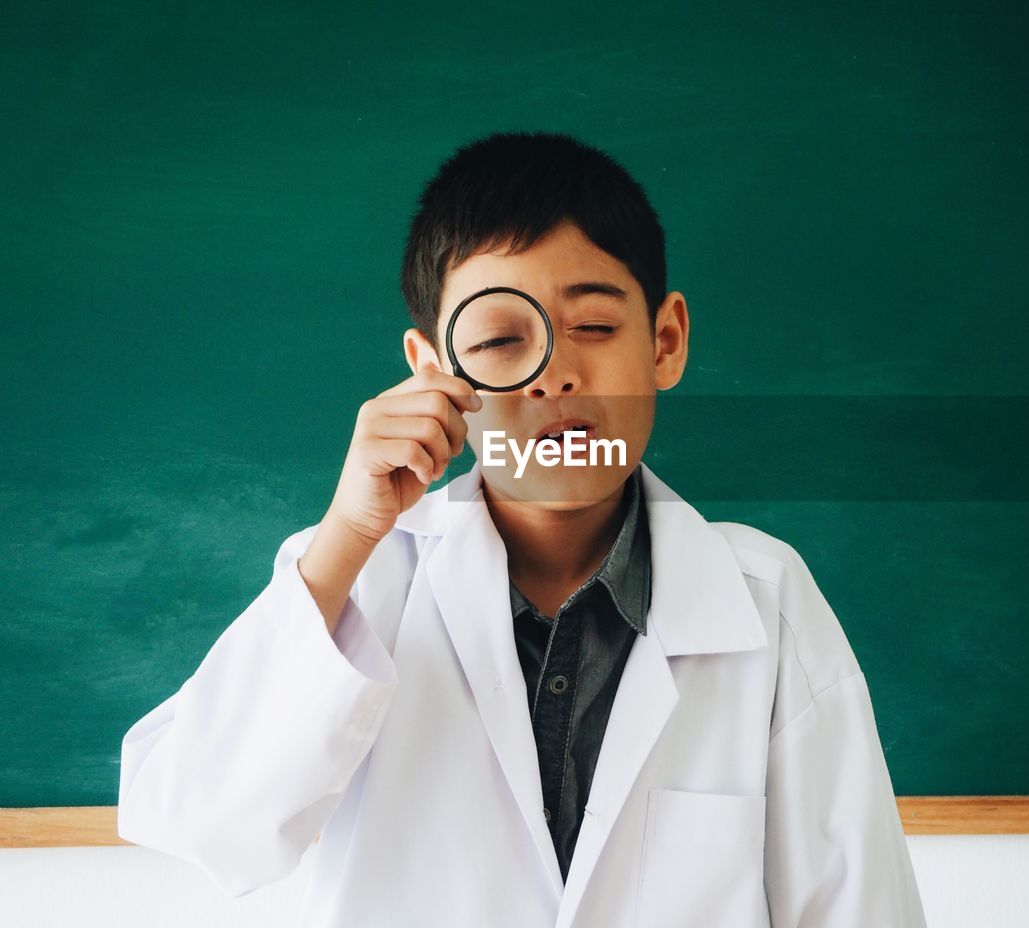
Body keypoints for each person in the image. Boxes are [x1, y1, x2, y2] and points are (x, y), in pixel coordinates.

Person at [116, 130, 927, 927]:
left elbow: (859, 908)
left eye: (596, 328)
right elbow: (203, 826)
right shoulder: (353, 578)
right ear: (434, 370)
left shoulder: (766, 600)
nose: (554, 374)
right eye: (503, 340)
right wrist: (344, 538)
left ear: (666, 343)